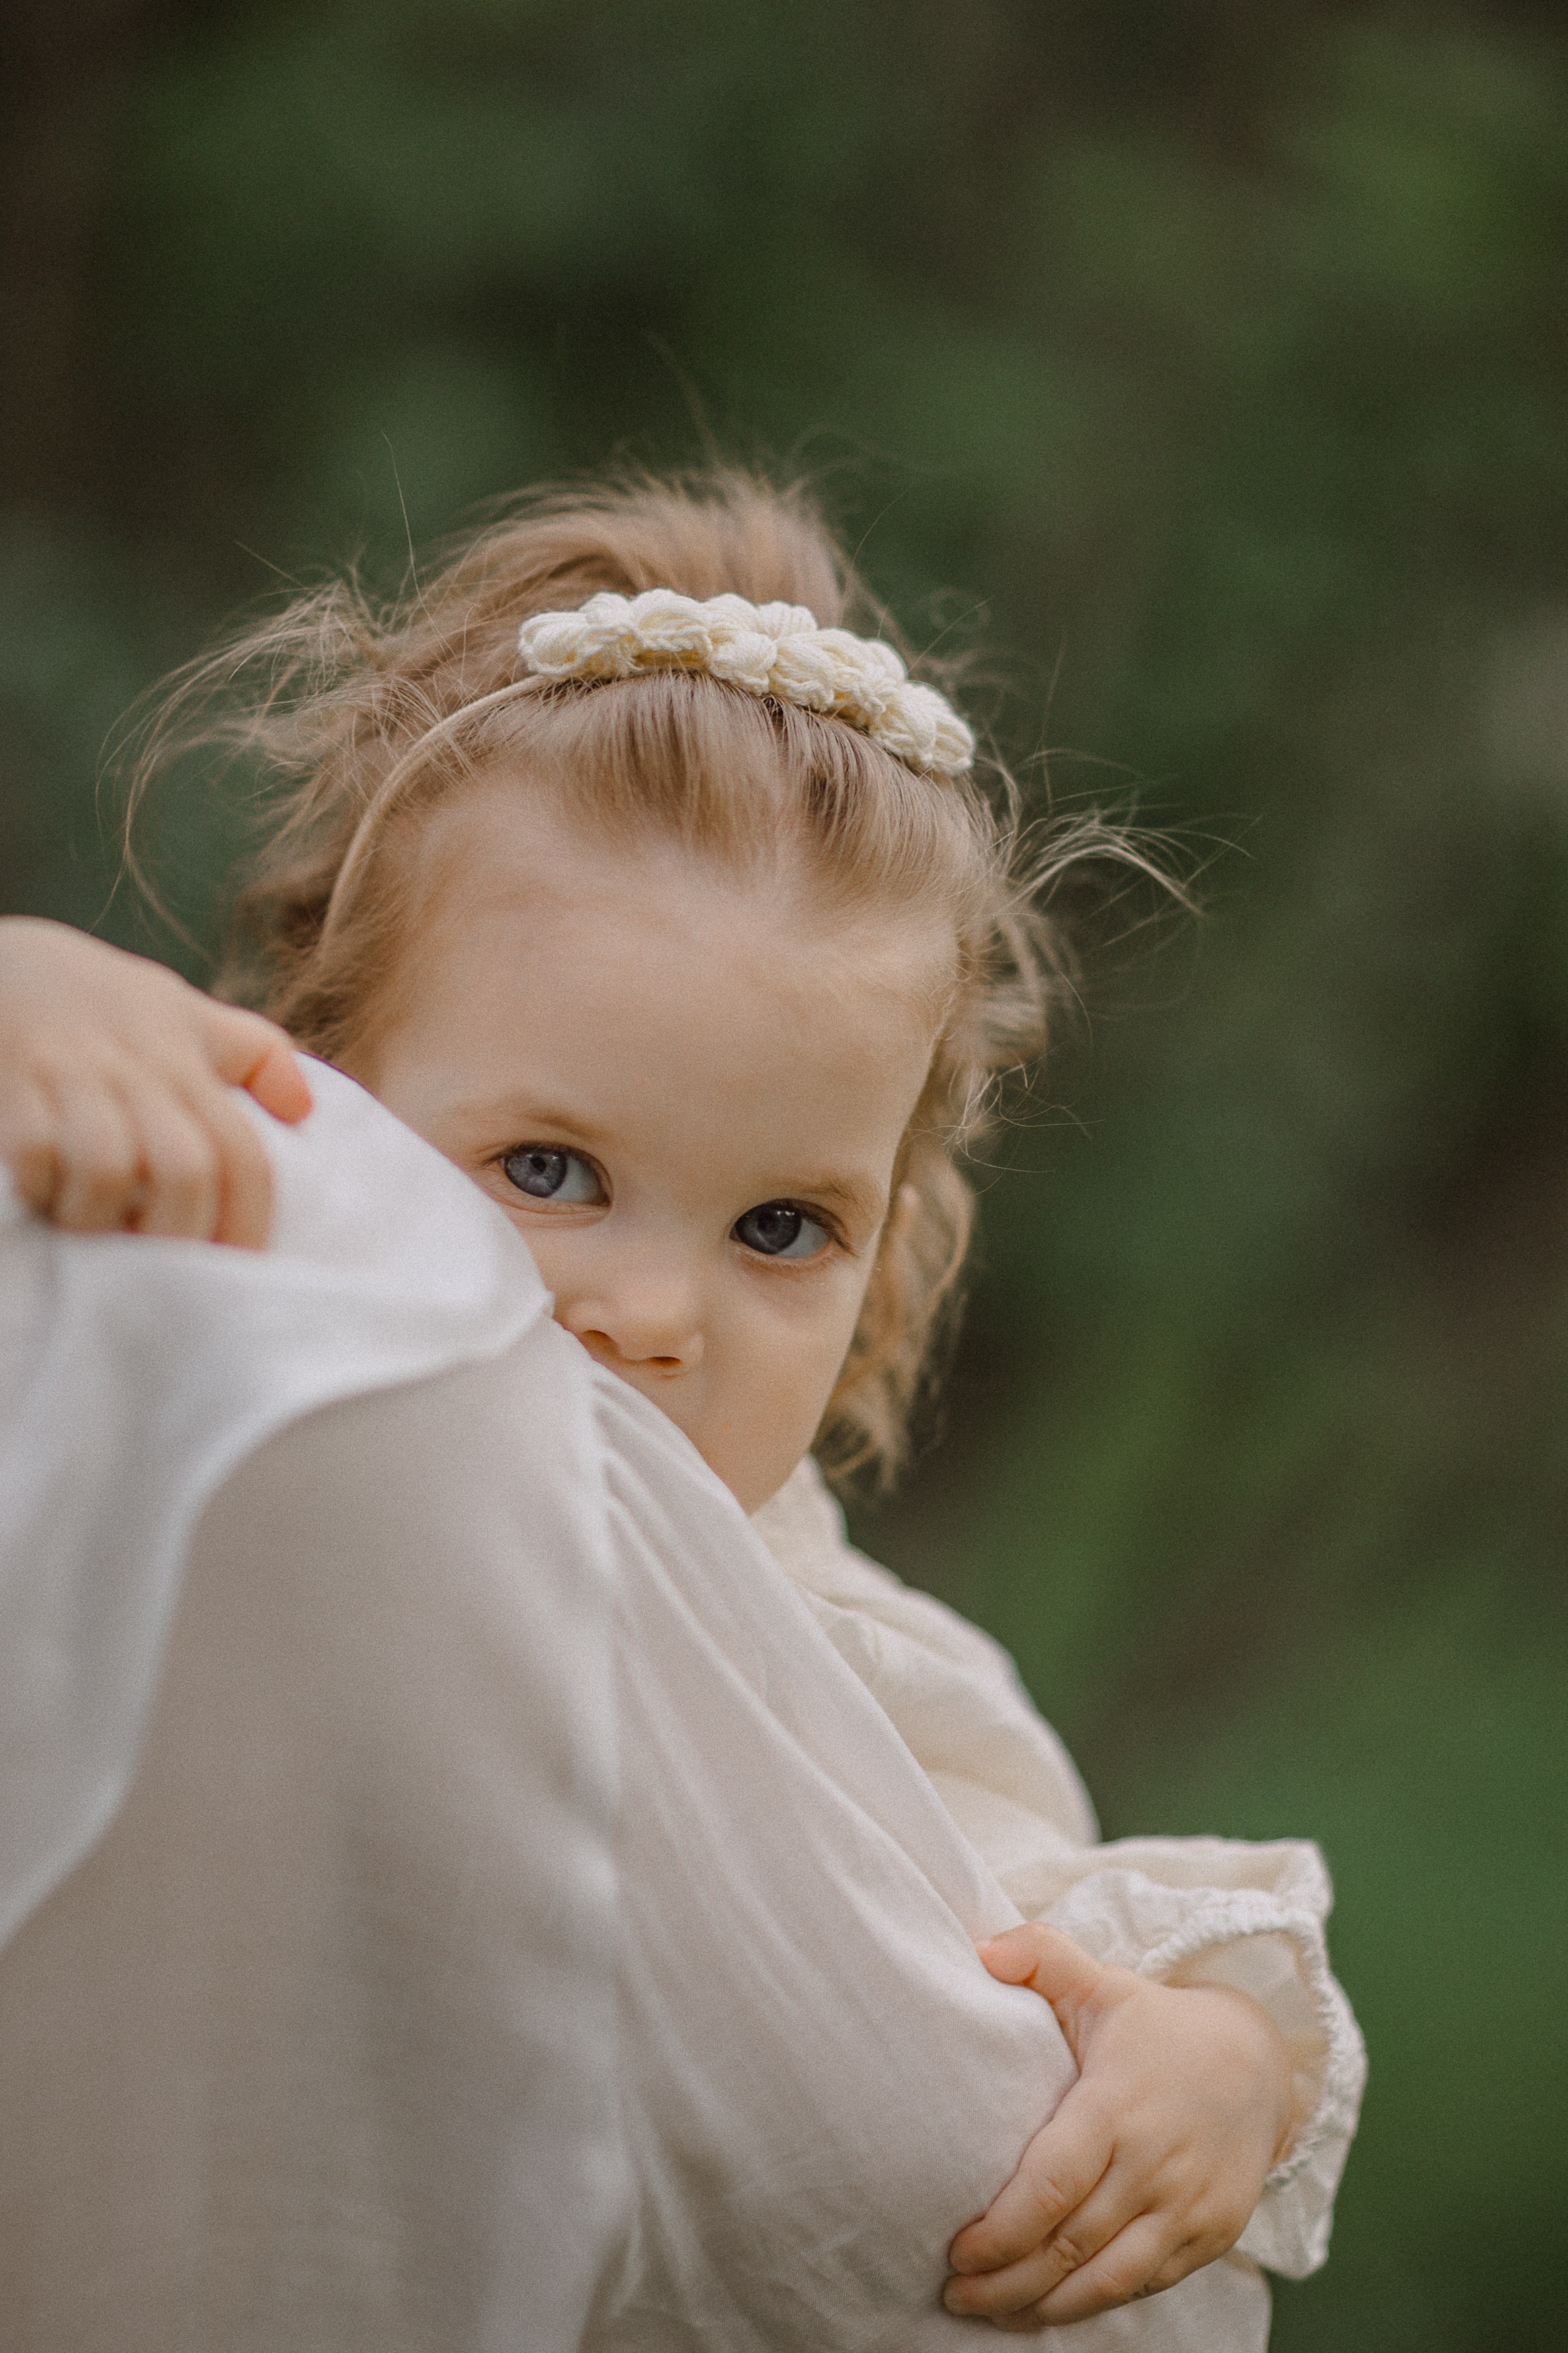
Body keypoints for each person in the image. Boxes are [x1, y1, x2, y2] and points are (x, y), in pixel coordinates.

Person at [0, 471, 1364, 2339]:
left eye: (782, 1225)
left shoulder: (832, 1661)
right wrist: (33, 996)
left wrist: (1223, 2064)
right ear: (315, 1073)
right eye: (549, 1168)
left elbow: (1075, 1941)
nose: (650, 1314)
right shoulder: (236, 1367)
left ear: (891, 1249)